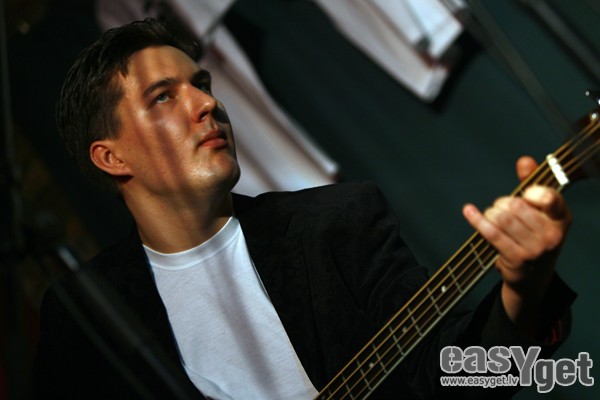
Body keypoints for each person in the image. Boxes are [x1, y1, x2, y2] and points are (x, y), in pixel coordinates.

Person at [32, 18, 576, 400]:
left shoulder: (335, 224)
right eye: (163, 97)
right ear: (111, 157)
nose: (207, 103)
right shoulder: (87, 315)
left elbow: (462, 380)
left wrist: (525, 293)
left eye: (201, 84)